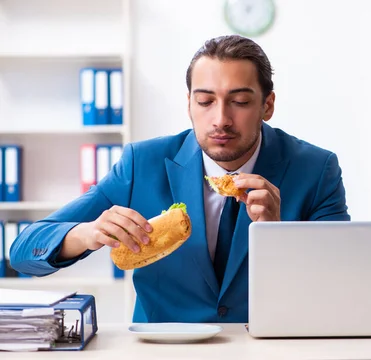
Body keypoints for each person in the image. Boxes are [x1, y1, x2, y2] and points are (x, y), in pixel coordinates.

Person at [9, 35, 350, 323]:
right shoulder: (140, 163)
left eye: (240, 102)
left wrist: (279, 236)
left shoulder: (316, 170)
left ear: (267, 105)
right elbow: (23, 251)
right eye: (205, 101)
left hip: (272, 357)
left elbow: (340, 286)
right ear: (189, 104)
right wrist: (88, 232)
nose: (221, 119)